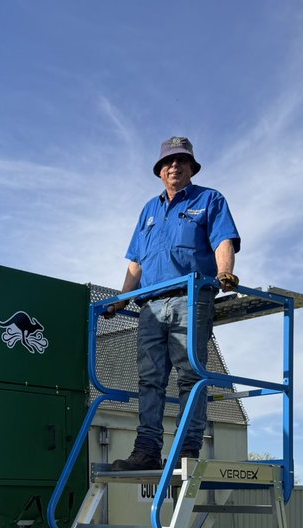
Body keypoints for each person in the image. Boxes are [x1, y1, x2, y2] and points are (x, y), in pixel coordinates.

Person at [107, 136, 241, 471]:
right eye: (168, 162)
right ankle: (146, 449)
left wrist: (225, 273)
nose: (174, 167)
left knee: (189, 375)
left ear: (192, 167)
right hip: (150, 305)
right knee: (149, 378)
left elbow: (224, 239)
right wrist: (121, 299)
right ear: (160, 170)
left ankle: (186, 450)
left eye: (181, 161)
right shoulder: (149, 210)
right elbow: (136, 261)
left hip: (190, 297)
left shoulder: (209, 200)